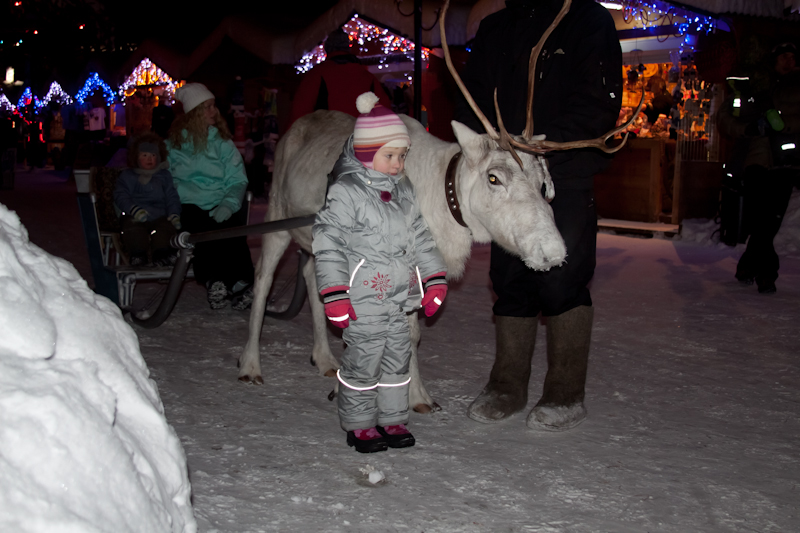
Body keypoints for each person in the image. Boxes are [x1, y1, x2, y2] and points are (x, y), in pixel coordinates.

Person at [454, 0, 622, 431]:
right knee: (510, 282)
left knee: (561, 277)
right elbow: (467, 96)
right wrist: (485, 149)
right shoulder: (496, 28)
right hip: (504, 182)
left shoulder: (588, 20)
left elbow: (598, 105)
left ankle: (566, 393)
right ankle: (506, 385)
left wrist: (541, 148)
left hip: (561, 173)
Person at [312, 92, 448, 453]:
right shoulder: (347, 191)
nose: (398, 163)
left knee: (397, 359)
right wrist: (335, 293)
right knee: (363, 361)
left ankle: (392, 419)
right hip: (362, 298)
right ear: (367, 152)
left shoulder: (404, 191)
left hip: (398, 299)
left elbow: (421, 237)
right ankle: (359, 425)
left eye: (402, 155)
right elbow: (328, 242)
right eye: (390, 155)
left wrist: (434, 279)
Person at [718, 42, 800, 294]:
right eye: (784, 56)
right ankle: (761, 270)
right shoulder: (754, 85)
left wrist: (783, 126)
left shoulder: (797, 86)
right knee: (759, 220)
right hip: (754, 161)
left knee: (769, 221)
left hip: (785, 163)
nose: (789, 61)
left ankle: (759, 270)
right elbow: (725, 118)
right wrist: (748, 129)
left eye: (793, 57)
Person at [167, 83, 254, 310]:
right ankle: (214, 280)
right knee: (201, 232)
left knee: (232, 231)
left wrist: (228, 202)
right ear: (194, 113)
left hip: (219, 200)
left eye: (213, 106)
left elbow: (237, 178)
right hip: (188, 204)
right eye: (207, 107)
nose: (213, 111)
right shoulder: (173, 146)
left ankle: (242, 282)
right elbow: (163, 176)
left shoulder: (222, 143)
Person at [287, 29, 391, 131]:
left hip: (326, 139)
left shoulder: (317, 74)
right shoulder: (368, 77)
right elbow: (385, 113)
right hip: (361, 139)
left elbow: (299, 113)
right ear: (347, 48)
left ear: (327, 48)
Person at [113, 132, 182, 266]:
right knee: (133, 228)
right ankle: (138, 254)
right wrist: (134, 209)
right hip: (135, 214)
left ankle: (162, 254)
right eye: (144, 155)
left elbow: (171, 196)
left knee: (164, 229)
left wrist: (174, 213)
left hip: (159, 215)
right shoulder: (128, 176)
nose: (149, 159)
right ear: (136, 157)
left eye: (153, 155)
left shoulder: (164, 176)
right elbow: (121, 195)